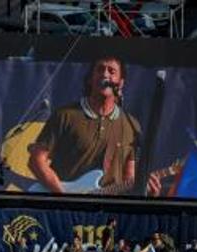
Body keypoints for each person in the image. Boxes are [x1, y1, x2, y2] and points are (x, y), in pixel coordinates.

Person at [28, 56, 162, 196]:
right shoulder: (65, 115)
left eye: (111, 71)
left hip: (107, 212)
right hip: (65, 211)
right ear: (90, 79)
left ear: (120, 83)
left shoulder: (131, 124)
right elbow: (36, 161)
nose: (105, 74)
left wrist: (148, 193)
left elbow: (129, 180)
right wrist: (64, 196)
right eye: (100, 69)